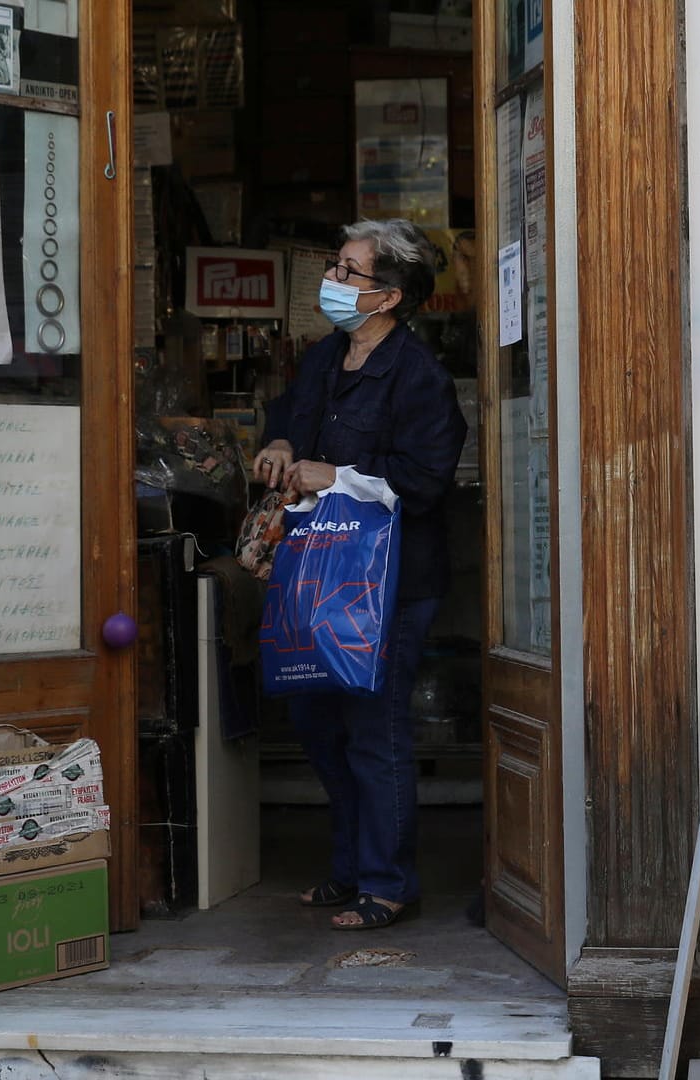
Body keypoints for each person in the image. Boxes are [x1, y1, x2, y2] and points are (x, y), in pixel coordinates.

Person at [253, 219, 468, 930]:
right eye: (336, 266)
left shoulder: (420, 378)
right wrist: (281, 443)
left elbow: (425, 480)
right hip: (317, 572)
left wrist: (337, 474)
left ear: (388, 297)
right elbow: (289, 416)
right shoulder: (325, 357)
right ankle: (347, 869)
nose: (333, 283)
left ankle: (388, 881)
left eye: (349, 273)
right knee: (319, 725)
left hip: (392, 583)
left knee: (375, 731)